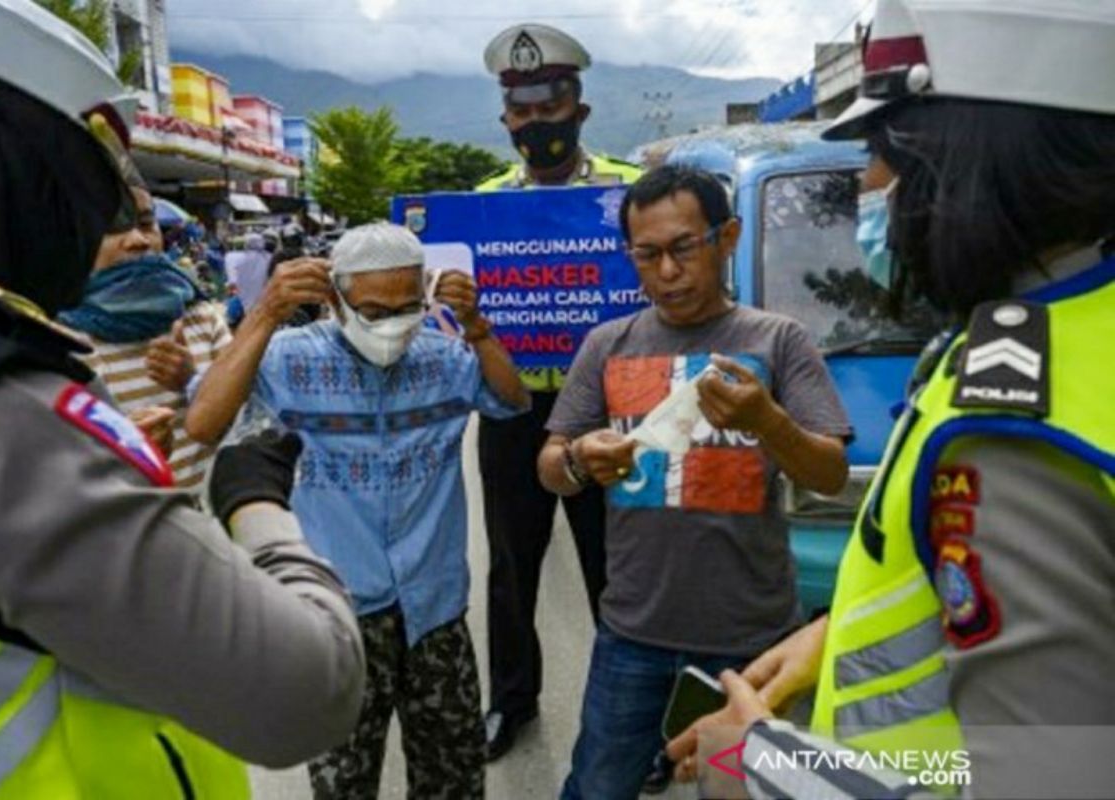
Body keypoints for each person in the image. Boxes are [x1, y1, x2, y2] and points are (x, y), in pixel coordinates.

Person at [665, 1, 1115, 798]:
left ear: (973, 154)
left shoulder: (1012, 427)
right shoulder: (1061, 330)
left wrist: (756, 766)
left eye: (881, 152)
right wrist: (833, 638)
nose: (867, 188)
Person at [0, 0, 366, 795]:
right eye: (88, 199)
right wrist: (257, 503)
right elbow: (307, 694)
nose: (116, 233)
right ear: (14, 170)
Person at [539, 164, 853, 800]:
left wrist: (767, 421)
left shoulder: (778, 340)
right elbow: (550, 465)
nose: (668, 272)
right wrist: (578, 459)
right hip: (632, 633)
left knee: (738, 789)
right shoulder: (607, 344)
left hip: (753, 639)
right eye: (647, 255)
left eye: (684, 248)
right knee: (598, 785)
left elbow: (828, 473)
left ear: (727, 237)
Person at [186, 222, 530, 799]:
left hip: (434, 608)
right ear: (333, 300)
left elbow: (512, 400)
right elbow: (204, 422)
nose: (390, 325)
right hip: (339, 612)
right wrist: (265, 313)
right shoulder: (289, 359)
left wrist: (476, 327)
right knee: (343, 782)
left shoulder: (445, 357)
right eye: (370, 309)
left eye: (405, 307)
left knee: (452, 775)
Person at [476, 21, 644, 765]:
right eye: (522, 109)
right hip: (513, 410)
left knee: (620, 567)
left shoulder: (630, 191)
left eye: (552, 104)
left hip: (613, 410)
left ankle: (634, 716)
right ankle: (512, 701)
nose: (537, 122)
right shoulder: (477, 207)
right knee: (513, 565)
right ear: (505, 117)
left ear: (579, 105)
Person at [59, 174, 233, 490]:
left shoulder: (201, 317)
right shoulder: (55, 342)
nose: (139, 240)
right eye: (112, 227)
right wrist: (125, 449)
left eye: (146, 223)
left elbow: (254, 427)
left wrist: (194, 383)